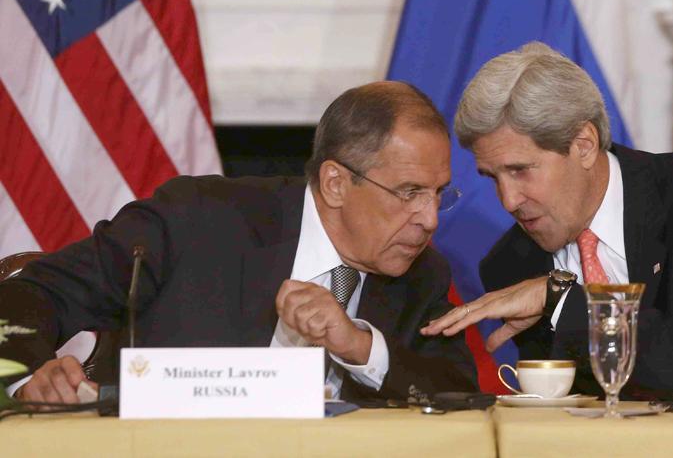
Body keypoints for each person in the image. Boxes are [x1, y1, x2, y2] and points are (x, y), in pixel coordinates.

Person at [0, 81, 477, 404]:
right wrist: (25, 379)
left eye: (439, 194)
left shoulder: (421, 274)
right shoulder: (198, 221)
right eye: (409, 193)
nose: (430, 219)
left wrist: (358, 345)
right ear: (334, 183)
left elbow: (459, 394)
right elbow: (30, 292)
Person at [422, 42, 673, 397]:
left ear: (583, 145)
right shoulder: (512, 264)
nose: (507, 200)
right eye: (493, 178)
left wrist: (562, 301)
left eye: (521, 170)